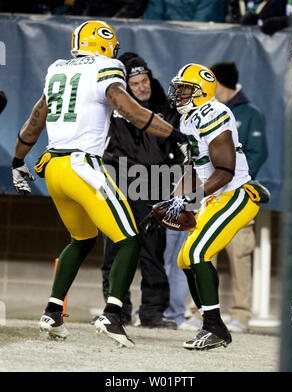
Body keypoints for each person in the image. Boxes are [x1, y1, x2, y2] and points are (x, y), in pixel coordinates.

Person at [11, 20, 186, 348]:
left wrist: (18, 161)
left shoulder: (58, 69)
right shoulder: (106, 67)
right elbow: (131, 110)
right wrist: (174, 133)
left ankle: (51, 311)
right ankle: (113, 314)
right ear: (105, 44)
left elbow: (35, 121)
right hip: (83, 167)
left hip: (55, 169)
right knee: (131, 238)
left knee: (81, 239)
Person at [144, 63, 270, 350]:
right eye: (178, 88)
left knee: (198, 252)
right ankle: (212, 324)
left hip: (236, 195)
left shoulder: (214, 113)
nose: (178, 94)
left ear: (202, 91)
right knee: (185, 259)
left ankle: (214, 327)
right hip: (215, 198)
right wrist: (172, 202)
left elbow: (225, 170)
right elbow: (194, 168)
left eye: (185, 89)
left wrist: (189, 200)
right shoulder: (189, 119)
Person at [100, 52, 182, 329]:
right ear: (125, 87)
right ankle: (116, 311)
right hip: (119, 188)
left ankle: (153, 313)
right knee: (115, 251)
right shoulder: (110, 109)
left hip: (155, 188)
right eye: (134, 84)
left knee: (153, 254)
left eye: (145, 80)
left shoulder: (168, 111)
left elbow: (180, 152)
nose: (142, 86)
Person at [209, 61, 268, 333]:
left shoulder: (252, 113)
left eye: (212, 82)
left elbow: (258, 152)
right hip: (211, 194)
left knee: (240, 253)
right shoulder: (207, 111)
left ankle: (241, 315)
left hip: (241, 196)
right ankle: (199, 311)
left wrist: (235, 178)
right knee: (203, 250)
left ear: (221, 83)